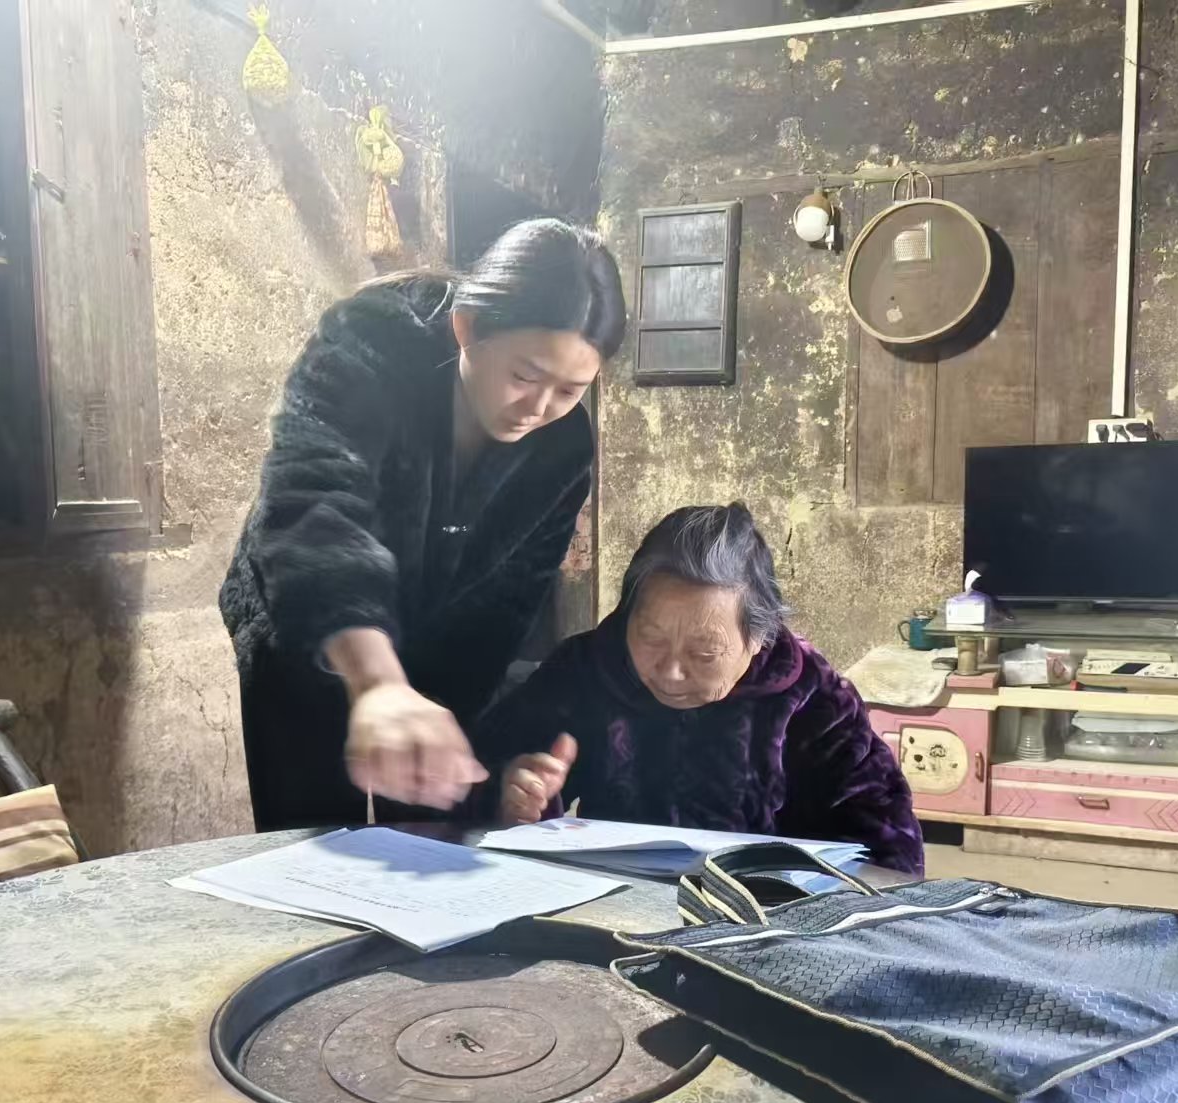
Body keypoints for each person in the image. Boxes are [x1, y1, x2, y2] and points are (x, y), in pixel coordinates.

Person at [221, 219, 627, 830]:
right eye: (524, 376)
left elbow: (504, 605)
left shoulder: (563, 451)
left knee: (428, 825)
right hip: (307, 620)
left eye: (570, 390)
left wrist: (473, 741)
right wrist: (377, 682)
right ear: (467, 329)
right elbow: (315, 505)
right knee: (309, 836)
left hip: (435, 644)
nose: (540, 408)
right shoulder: (370, 340)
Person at [472, 503, 924, 873]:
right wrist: (516, 802)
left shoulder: (813, 696)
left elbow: (888, 850)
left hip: (763, 921)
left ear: (759, 637)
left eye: (704, 653)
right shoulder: (585, 670)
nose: (670, 672)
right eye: (651, 638)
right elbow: (474, 780)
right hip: (612, 907)